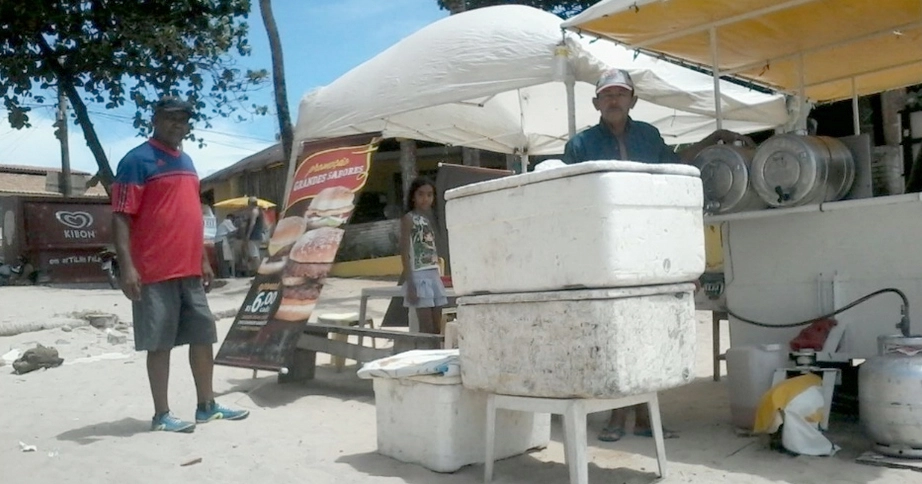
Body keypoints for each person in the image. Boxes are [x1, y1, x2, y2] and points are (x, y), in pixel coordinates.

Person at [563, 68, 754, 443]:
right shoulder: (580, 144)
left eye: (621, 94)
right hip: (603, 253)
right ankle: (619, 415)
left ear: (632, 100)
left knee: (648, 334)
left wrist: (710, 140)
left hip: (648, 246)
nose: (614, 100)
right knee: (615, 332)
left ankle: (647, 416)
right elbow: (571, 199)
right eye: (607, 95)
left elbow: (674, 165)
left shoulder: (648, 135)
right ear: (596, 103)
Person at [111, 96, 249, 433]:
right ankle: (162, 415)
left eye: (184, 119)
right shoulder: (136, 161)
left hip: (189, 270)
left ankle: (207, 405)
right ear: (155, 119)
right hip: (153, 271)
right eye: (171, 118)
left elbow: (190, 216)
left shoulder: (187, 163)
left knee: (203, 336)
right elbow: (120, 217)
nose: (178, 125)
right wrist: (126, 267)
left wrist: (203, 259)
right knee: (159, 343)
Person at [400, 177, 447, 335]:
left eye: (429, 195)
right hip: (419, 277)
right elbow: (405, 252)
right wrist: (411, 284)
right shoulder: (409, 219)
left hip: (433, 274)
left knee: (437, 329)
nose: (425, 199)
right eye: (421, 194)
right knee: (426, 329)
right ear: (413, 196)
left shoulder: (428, 220)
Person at [244, 196, 265, 275]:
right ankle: (258, 271)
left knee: (254, 255)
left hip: (253, 235)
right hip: (258, 235)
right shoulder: (260, 211)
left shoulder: (254, 211)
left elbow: (252, 223)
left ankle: (259, 272)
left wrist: (248, 235)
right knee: (255, 254)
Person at [215, 214, 237, 278]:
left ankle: (223, 275)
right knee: (224, 260)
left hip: (218, 241)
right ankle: (225, 275)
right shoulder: (227, 221)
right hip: (222, 241)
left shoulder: (222, 223)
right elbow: (234, 231)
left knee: (221, 260)